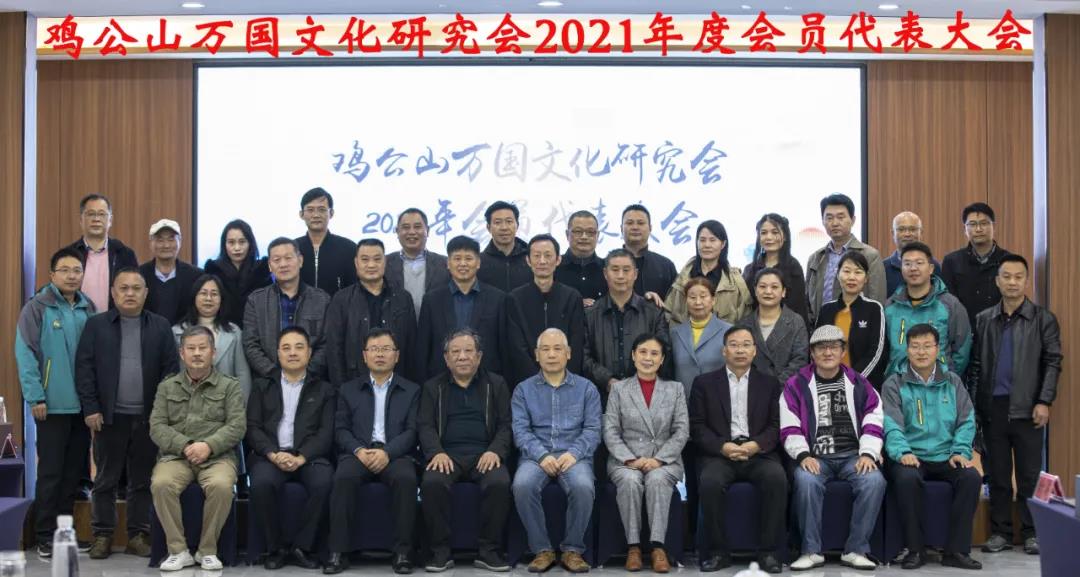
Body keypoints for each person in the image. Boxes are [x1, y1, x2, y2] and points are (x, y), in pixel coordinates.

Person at [76, 267, 179, 560]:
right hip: (109, 417)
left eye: (136, 288)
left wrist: (162, 414)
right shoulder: (96, 326)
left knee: (142, 481)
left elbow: (171, 371)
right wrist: (91, 408)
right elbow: (84, 369)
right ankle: (102, 535)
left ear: (146, 293)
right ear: (113, 293)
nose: (130, 293)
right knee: (105, 480)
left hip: (148, 418)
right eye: (124, 288)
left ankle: (138, 535)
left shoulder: (160, 326)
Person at [970, 254, 1062, 556]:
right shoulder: (984, 319)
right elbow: (975, 366)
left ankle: (1033, 533)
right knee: (997, 475)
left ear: (1026, 281)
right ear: (997, 281)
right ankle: (1000, 532)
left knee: (1029, 476)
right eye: (1006, 276)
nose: (1012, 282)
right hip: (992, 408)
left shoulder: (1043, 319)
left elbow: (1052, 362)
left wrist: (1044, 400)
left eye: (1018, 277)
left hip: (1028, 407)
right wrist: (975, 409)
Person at [781, 325, 886, 571]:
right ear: (812, 353)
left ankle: (856, 550)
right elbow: (789, 425)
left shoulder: (859, 382)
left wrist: (868, 453)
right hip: (815, 455)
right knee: (806, 480)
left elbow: (874, 417)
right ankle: (811, 551)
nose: (827, 352)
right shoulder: (796, 385)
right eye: (821, 348)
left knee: (874, 481)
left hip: (852, 455)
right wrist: (803, 455)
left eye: (834, 347)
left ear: (843, 352)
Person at [16, 248, 96, 558]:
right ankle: (44, 535)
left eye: (77, 270)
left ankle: (64, 534)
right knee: (51, 473)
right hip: (50, 405)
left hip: (82, 407)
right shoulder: (37, 307)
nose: (72, 276)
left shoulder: (88, 308)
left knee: (73, 475)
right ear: (52, 275)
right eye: (65, 270)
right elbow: (25, 354)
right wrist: (35, 396)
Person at [882, 324, 982, 571]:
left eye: (927, 346)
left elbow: (967, 421)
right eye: (915, 346)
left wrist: (960, 451)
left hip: (946, 455)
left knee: (971, 478)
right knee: (907, 479)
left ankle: (956, 551)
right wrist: (903, 452)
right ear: (907, 350)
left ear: (938, 349)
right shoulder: (894, 383)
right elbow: (890, 424)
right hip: (910, 455)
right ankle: (915, 550)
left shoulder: (952, 382)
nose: (921, 352)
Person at [689, 326, 786, 574]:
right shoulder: (704, 383)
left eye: (746, 345)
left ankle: (768, 553)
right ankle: (719, 553)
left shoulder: (770, 384)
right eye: (734, 345)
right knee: (710, 482)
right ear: (724, 351)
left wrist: (756, 445)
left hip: (759, 452)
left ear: (754, 351)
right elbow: (697, 427)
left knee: (777, 478)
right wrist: (722, 447)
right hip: (720, 453)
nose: (740, 350)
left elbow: (776, 425)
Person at [149, 326, 246, 572]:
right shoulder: (167, 386)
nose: (197, 353)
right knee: (161, 483)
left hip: (218, 457)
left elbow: (237, 426)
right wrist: (185, 446)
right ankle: (178, 550)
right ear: (182, 354)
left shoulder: (229, 386)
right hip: (176, 457)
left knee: (221, 486)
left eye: (203, 348)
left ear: (213, 352)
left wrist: (209, 446)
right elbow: (157, 427)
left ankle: (207, 550)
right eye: (191, 348)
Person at [325, 329, 420, 575]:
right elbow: (340, 429)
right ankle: (338, 552)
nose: (380, 354)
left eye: (386, 349)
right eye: (374, 349)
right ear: (364, 356)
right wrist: (358, 450)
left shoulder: (411, 390)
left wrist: (387, 452)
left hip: (395, 454)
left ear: (396, 356)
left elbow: (412, 431)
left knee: (406, 479)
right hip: (358, 453)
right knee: (342, 478)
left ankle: (403, 553)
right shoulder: (348, 389)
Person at [418, 329, 513, 573]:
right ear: (446, 358)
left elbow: (506, 425)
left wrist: (495, 451)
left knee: (499, 482)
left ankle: (489, 551)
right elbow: (425, 426)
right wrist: (436, 452)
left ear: (479, 357)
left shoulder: (496, 384)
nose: (462, 357)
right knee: (432, 482)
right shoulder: (432, 387)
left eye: (468, 351)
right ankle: (440, 551)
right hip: (446, 455)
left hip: (484, 454)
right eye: (455, 351)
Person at [511, 329, 601, 574]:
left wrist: (574, 453)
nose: (551, 355)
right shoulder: (523, 390)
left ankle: (572, 550)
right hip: (535, 456)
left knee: (583, 486)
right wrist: (542, 456)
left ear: (568, 353)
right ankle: (542, 550)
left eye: (557, 349)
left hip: (574, 456)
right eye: (546, 349)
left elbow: (593, 429)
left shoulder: (587, 389)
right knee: (522, 485)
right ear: (536, 355)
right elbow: (521, 431)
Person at [246, 327, 334, 571]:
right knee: (262, 483)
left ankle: (302, 547)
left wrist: (302, 457)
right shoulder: (262, 386)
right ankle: (276, 549)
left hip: (308, 457)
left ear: (309, 353)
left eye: (299, 347)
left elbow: (326, 432)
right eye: (286, 348)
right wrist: (273, 454)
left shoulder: (324, 389)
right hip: (271, 455)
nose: (292, 353)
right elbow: (252, 428)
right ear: (278, 353)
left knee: (324, 482)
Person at [603, 334, 689, 573]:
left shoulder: (675, 389)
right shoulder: (619, 389)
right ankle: (633, 547)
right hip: (625, 459)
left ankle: (658, 547)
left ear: (662, 359)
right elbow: (610, 430)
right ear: (633, 355)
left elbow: (682, 430)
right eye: (642, 352)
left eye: (654, 353)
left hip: (664, 460)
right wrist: (630, 459)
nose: (648, 358)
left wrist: (659, 459)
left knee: (657, 480)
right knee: (630, 481)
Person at [416, 235, 530, 384]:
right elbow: (422, 349)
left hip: (487, 382)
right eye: (457, 259)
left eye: (469, 258)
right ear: (448, 263)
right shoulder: (432, 300)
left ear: (478, 263)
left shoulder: (498, 299)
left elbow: (504, 347)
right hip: (442, 383)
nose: (463, 264)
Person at [668, 277, 731, 548]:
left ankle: (709, 536)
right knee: (689, 476)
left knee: (709, 474)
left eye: (703, 296)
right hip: (682, 412)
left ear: (713, 300)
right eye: (692, 297)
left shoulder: (728, 331)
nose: (698, 302)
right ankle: (691, 534)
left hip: (715, 414)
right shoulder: (674, 333)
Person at [325, 238, 417, 386]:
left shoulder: (403, 298)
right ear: (356, 263)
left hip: (397, 383)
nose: (371, 265)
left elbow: (412, 347)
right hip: (354, 382)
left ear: (385, 262)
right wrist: (342, 389)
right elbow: (334, 349)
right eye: (365, 259)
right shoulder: (341, 299)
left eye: (377, 259)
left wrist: (409, 387)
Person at [584, 249, 670, 395]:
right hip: (601, 395)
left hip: (645, 393)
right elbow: (584, 356)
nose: (620, 276)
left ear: (635, 274)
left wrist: (638, 379)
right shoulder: (590, 314)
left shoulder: (653, 312)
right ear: (605, 273)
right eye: (615, 270)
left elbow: (663, 351)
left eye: (626, 270)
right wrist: (608, 380)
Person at [244, 237, 331, 379]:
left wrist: (306, 374)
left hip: (312, 382)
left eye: (288, 258)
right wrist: (274, 375)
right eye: (277, 260)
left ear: (300, 261)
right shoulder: (256, 301)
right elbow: (251, 344)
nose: (283, 264)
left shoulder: (322, 300)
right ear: (270, 266)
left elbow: (326, 343)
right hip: (269, 382)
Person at [884, 242, 971, 377]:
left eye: (919, 263)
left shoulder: (950, 305)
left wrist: (947, 376)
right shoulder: (890, 306)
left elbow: (962, 349)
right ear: (901, 269)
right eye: (907, 264)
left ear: (931, 268)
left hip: (939, 384)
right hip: (898, 384)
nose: (913, 268)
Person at [511, 234, 587, 375]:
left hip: (567, 379)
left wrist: (564, 378)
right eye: (537, 256)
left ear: (558, 259)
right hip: (527, 380)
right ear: (528, 260)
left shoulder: (572, 297)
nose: (542, 261)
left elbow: (576, 344)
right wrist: (535, 380)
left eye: (548, 255)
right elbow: (516, 347)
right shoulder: (515, 299)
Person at [805, 194, 886, 325]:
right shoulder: (816, 257)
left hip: (857, 327)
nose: (835, 223)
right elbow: (807, 300)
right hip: (820, 328)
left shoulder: (870, 255)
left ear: (853, 220)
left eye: (841, 217)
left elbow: (877, 300)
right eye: (829, 218)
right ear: (823, 221)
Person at [815, 251, 888, 388]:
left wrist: (852, 380)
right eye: (846, 271)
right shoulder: (826, 309)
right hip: (828, 384)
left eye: (858, 272)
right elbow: (817, 347)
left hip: (863, 385)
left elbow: (877, 352)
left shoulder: (874, 309)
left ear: (866, 278)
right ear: (838, 275)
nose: (852, 277)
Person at [172, 274, 251, 398]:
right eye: (203, 293)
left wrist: (240, 406)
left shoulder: (234, 332)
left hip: (225, 403)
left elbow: (242, 374)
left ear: (221, 299)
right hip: (187, 403)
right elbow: (172, 376)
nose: (208, 298)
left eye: (214, 294)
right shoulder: (177, 332)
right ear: (194, 297)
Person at [664, 220, 752, 325]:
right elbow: (668, 311)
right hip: (684, 334)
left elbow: (745, 316)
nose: (707, 245)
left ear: (723, 244)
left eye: (712, 240)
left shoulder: (734, 281)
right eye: (702, 240)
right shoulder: (683, 277)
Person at [941, 202, 1013, 325]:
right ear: (965, 229)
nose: (978, 229)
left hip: (1000, 329)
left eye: (984, 223)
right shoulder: (951, 261)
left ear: (994, 226)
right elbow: (948, 303)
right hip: (964, 330)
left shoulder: (1008, 260)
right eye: (972, 224)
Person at [67, 193, 138, 312]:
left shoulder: (125, 254)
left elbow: (134, 291)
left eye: (101, 214)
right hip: (76, 320)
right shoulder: (69, 254)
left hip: (115, 321)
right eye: (91, 214)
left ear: (110, 220)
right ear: (81, 220)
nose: (96, 219)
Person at [737, 268, 808, 384]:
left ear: (783, 292)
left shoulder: (796, 322)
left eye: (774, 287)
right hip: (751, 388)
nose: (768, 291)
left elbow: (800, 360)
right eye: (762, 286)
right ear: (755, 290)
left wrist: (775, 386)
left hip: (786, 389)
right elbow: (739, 360)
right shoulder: (744, 324)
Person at [203, 219, 271, 329]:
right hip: (222, 329)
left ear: (250, 243)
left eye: (242, 242)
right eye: (231, 242)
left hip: (257, 329)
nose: (237, 248)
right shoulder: (213, 269)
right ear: (224, 244)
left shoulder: (262, 270)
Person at [742, 213, 809, 324]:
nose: (769, 237)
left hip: (787, 328)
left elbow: (799, 307)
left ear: (785, 236)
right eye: (764, 233)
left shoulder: (793, 267)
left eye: (775, 232)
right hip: (754, 328)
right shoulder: (750, 269)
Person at [384, 208, 449, 320]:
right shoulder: (384, 264)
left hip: (435, 327)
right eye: (406, 227)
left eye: (417, 227)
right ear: (397, 231)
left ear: (427, 230)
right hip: (396, 328)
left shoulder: (445, 264)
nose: (412, 232)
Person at [140, 219, 203, 325]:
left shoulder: (196, 276)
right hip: (148, 333)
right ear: (151, 243)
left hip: (185, 333)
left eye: (171, 239)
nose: (166, 245)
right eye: (160, 240)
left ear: (180, 241)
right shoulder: (139, 275)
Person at [295, 187, 357, 296]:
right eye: (310, 210)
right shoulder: (292, 249)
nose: (316, 215)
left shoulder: (349, 248)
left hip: (338, 306)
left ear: (331, 213)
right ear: (301, 214)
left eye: (322, 209)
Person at [621, 205, 677, 299]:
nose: (635, 227)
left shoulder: (666, 266)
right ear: (621, 228)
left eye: (640, 223)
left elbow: (675, 303)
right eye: (630, 223)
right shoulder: (609, 264)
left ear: (650, 228)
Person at [477, 201, 532, 293]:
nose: (504, 227)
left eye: (509, 221)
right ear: (488, 227)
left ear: (517, 225)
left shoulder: (532, 259)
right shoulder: (478, 262)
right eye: (497, 222)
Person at [555, 210, 608, 305]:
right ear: (567, 234)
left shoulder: (608, 268)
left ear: (598, 235)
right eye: (578, 231)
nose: (584, 237)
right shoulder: (553, 267)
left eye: (590, 232)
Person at [884, 212, 940, 298]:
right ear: (893, 233)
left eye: (913, 229)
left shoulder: (933, 264)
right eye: (901, 229)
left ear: (921, 232)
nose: (907, 234)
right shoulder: (883, 267)